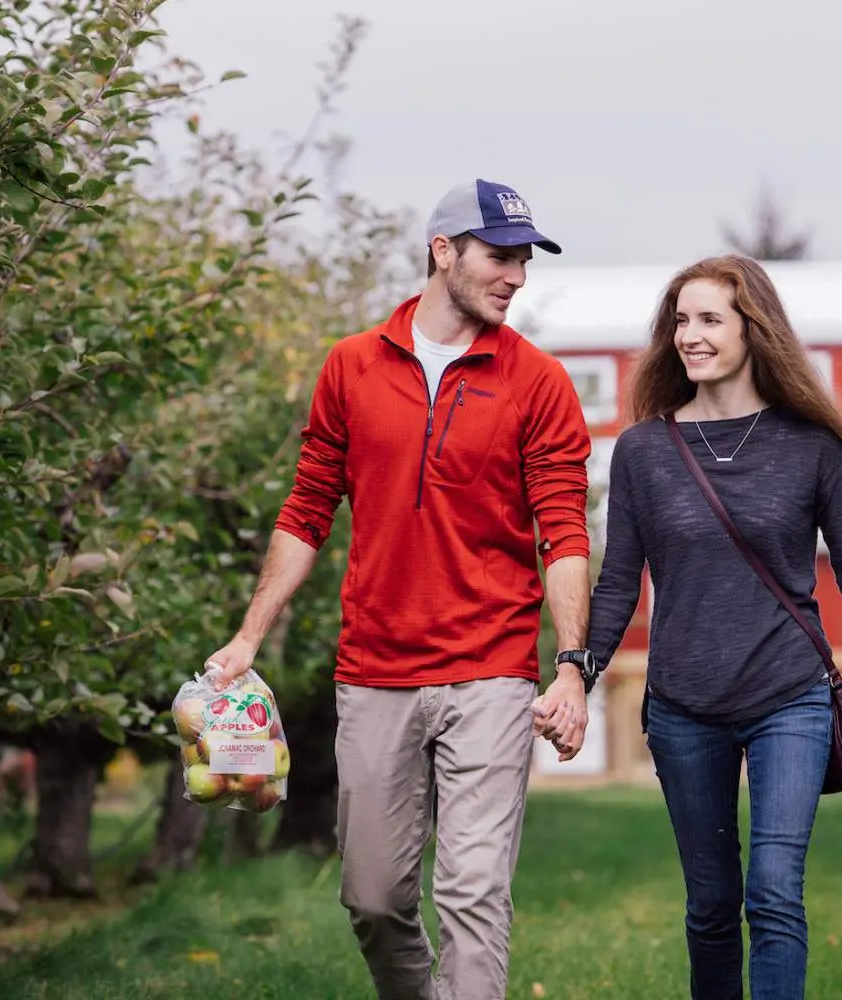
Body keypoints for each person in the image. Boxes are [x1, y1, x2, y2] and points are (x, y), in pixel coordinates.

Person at [202, 179, 597, 1000]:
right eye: (500, 256)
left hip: (491, 669)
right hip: (375, 669)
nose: (517, 276)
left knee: (473, 893)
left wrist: (570, 665)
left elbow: (562, 530)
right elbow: (307, 509)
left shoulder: (539, 381)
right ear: (443, 251)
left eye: (525, 260)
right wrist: (247, 637)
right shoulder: (352, 367)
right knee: (374, 900)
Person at [574, 254, 842, 1000]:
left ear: (752, 329)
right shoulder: (643, 450)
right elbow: (619, 581)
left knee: (773, 893)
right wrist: (578, 674)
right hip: (682, 706)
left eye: (710, 319)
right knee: (710, 907)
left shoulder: (811, 447)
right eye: (681, 321)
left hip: (789, 698)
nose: (690, 336)